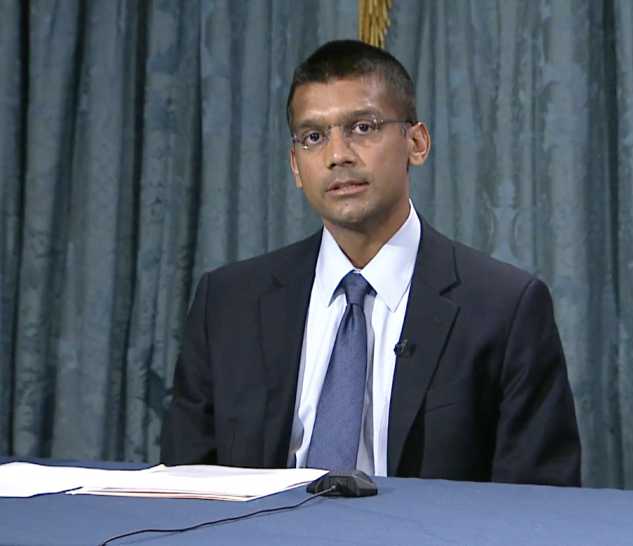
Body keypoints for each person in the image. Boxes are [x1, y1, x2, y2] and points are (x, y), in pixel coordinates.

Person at [161, 40, 581, 486]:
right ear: (296, 165)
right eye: (314, 137)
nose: (337, 155)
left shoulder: (505, 309)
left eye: (362, 127)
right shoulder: (228, 304)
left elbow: (537, 503)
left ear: (416, 143)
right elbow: (183, 489)